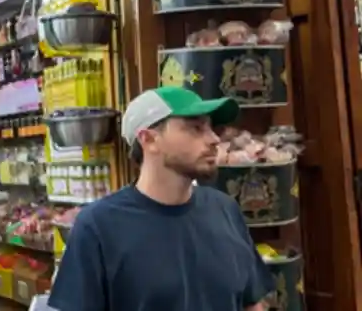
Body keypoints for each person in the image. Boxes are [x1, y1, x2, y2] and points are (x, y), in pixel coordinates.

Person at [48, 86, 275, 311]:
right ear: (149, 140)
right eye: (195, 128)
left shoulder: (224, 209)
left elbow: (251, 302)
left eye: (211, 127)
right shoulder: (99, 226)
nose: (214, 139)